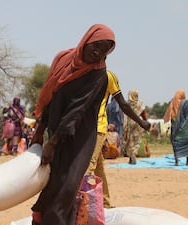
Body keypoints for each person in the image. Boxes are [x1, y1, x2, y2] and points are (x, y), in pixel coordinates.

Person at [30, 24, 116, 225]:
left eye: (105, 51)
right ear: (86, 40)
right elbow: (50, 96)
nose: (98, 53)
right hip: (56, 132)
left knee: (67, 188)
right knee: (52, 183)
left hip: (80, 140)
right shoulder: (63, 60)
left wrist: (52, 142)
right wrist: (40, 131)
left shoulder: (98, 75)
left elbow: (76, 111)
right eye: (96, 46)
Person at [85, 70, 151, 208]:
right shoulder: (84, 74)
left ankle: (80, 205)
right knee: (98, 167)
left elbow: (123, 104)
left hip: (98, 127)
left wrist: (141, 122)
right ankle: (105, 203)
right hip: (88, 127)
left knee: (88, 167)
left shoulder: (108, 76)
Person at [122, 90, 149, 164]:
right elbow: (143, 115)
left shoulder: (126, 104)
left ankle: (131, 156)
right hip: (138, 123)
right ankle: (133, 154)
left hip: (128, 123)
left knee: (129, 141)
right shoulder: (140, 104)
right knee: (137, 141)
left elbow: (123, 113)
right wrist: (146, 123)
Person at [163, 89, 188, 166]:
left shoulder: (172, 103)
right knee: (186, 143)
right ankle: (187, 160)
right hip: (185, 128)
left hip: (175, 128)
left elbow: (167, 116)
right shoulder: (185, 103)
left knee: (175, 143)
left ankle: (176, 161)